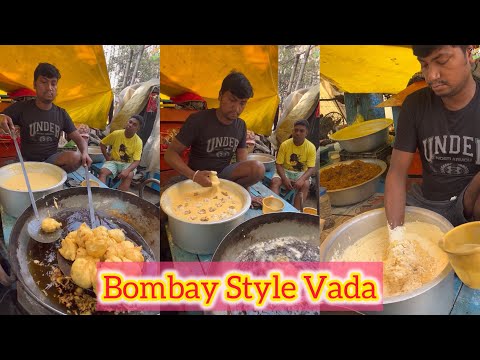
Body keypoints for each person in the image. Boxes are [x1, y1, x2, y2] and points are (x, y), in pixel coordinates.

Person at [385, 45, 480, 231]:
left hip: (471, 203)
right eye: (424, 65)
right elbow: (396, 173)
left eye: (442, 61)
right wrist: (396, 238)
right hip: (426, 203)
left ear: (468, 54)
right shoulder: (415, 105)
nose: (431, 76)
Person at [164, 71, 265, 206]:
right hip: (196, 176)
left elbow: (242, 161)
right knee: (164, 207)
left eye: (242, 103)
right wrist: (193, 175)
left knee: (257, 168)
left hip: (223, 176)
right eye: (232, 100)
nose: (237, 108)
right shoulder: (198, 120)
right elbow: (170, 154)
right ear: (220, 95)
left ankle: (230, 193)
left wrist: (247, 194)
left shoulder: (241, 125)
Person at [0, 62, 91, 172]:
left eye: (53, 83)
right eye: (44, 82)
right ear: (34, 84)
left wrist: (85, 153)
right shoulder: (21, 107)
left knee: (76, 157)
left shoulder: (62, 114)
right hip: (26, 161)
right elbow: (2, 117)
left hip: (51, 162)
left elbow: (80, 140)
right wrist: (1, 117)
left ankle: (50, 177)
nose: (49, 88)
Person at [270, 119, 316, 210]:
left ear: (306, 133)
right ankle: (274, 209)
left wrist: (302, 179)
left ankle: (295, 211)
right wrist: (284, 178)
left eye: (301, 131)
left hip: (301, 172)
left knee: (305, 185)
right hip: (285, 171)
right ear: (292, 131)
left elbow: (311, 168)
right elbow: (278, 164)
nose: (298, 133)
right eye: (296, 130)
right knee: (275, 182)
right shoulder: (285, 145)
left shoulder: (311, 147)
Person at [98, 115, 144, 191]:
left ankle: (119, 198)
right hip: (114, 161)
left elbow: (137, 161)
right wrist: (107, 157)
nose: (130, 125)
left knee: (129, 175)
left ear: (138, 128)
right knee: (103, 172)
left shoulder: (138, 141)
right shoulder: (116, 134)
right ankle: (102, 194)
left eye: (134, 124)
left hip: (128, 164)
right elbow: (102, 144)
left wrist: (127, 170)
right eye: (130, 122)